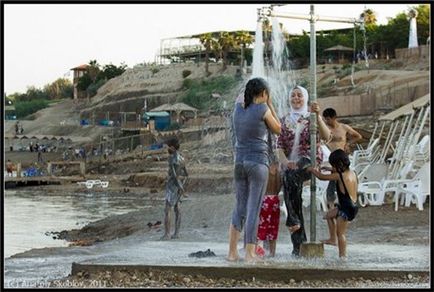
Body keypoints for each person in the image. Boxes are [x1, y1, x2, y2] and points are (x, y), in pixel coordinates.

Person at [228, 77, 281, 263]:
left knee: (239, 207)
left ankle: (232, 253)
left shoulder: (237, 109)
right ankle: (250, 253)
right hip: (257, 163)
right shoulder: (263, 109)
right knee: (253, 209)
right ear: (264, 93)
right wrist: (271, 104)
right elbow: (278, 129)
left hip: (239, 163)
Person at [276, 85, 331, 256]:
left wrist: (318, 116)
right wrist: (285, 162)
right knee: (290, 184)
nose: (296, 98)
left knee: (290, 178)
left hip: (310, 159)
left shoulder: (311, 117)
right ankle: (298, 245)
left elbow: (326, 136)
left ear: (305, 98)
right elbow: (279, 147)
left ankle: (292, 219)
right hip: (292, 165)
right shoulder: (284, 120)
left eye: (300, 95)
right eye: (293, 95)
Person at [321, 107, 362, 245]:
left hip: (342, 163)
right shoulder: (326, 129)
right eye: (325, 119)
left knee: (344, 190)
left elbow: (358, 136)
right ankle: (334, 223)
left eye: (328, 119)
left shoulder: (343, 128)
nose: (327, 121)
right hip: (333, 163)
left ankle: (342, 215)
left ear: (334, 117)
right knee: (331, 195)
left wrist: (348, 144)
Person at [307, 149, 358, 258]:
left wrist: (312, 170)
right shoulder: (352, 172)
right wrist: (328, 168)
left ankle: (342, 256)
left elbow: (322, 177)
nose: (333, 169)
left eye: (333, 166)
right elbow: (337, 172)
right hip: (350, 205)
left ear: (339, 165)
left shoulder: (339, 176)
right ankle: (332, 239)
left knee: (341, 234)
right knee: (328, 216)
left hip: (346, 209)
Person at [160, 136, 188, 240]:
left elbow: (175, 175)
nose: (167, 148)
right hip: (179, 185)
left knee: (167, 210)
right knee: (177, 209)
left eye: (168, 146)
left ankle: (167, 234)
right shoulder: (182, 158)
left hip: (172, 185)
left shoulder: (172, 158)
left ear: (172, 147)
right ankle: (176, 233)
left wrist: (180, 187)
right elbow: (186, 174)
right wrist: (182, 185)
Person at [256, 160, 281, 257]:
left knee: (262, 226)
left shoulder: (264, 171)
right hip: (275, 200)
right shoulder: (278, 173)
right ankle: (272, 253)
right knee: (273, 228)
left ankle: (258, 250)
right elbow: (279, 188)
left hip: (265, 200)